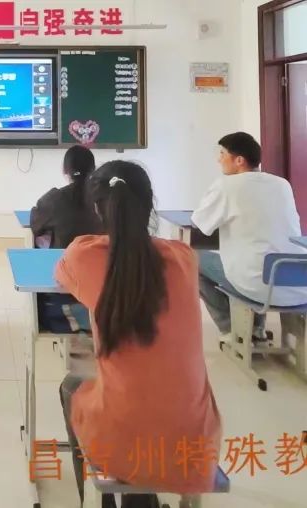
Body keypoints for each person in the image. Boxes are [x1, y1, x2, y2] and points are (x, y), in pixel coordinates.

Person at [55, 161, 221, 507]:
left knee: (72, 386)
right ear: (149, 205)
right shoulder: (184, 258)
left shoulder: (85, 255)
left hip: (126, 437)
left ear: (98, 209)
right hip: (195, 440)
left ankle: (101, 499)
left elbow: (62, 274)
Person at [192, 132, 307, 342]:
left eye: (222, 154)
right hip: (298, 283)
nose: (219, 159)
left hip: (257, 285)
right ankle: (257, 329)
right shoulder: (282, 184)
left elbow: (200, 224)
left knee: (194, 260)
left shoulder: (226, 186)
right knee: (258, 257)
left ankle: (230, 330)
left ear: (239, 160)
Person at [30, 145, 102, 337]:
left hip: (63, 304)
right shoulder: (106, 200)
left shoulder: (54, 200)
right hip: (106, 303)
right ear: (93, 169)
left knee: (40, 244)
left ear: (65, 170)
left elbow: (35, 224)